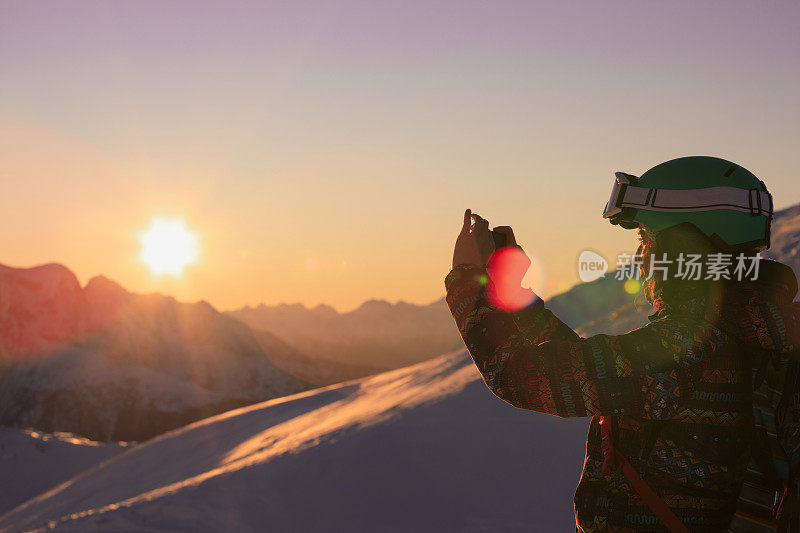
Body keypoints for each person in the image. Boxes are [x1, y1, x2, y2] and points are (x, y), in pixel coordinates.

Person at [445, 156, 800, 532]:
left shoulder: (689, 346)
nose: (641, 256)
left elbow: (523, 376)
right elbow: (595, 370)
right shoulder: (761, 330)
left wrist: (466, 280)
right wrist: (513, 293)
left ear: (684, 244)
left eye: (646, 239)